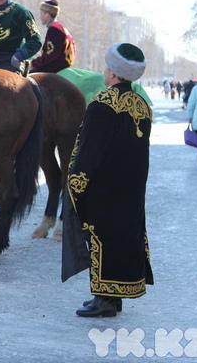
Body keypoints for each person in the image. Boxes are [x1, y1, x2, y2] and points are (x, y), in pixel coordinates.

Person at [62, 42, 153, 317]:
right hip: (131, 188)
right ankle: (112, 297)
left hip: (103, 187)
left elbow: (90, 149)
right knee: (123, 237)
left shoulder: (102, 103)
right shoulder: (141, 105)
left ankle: (104, 300)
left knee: (101, 238)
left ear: (113, 73)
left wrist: (76, 182)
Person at [30, 0, 76, 73]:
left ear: (47, 15)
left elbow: (51, 55)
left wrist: (33, 63)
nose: (39, 17)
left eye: (41, 14)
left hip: (54, 69)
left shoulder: (54, 29)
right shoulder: (60, 27)